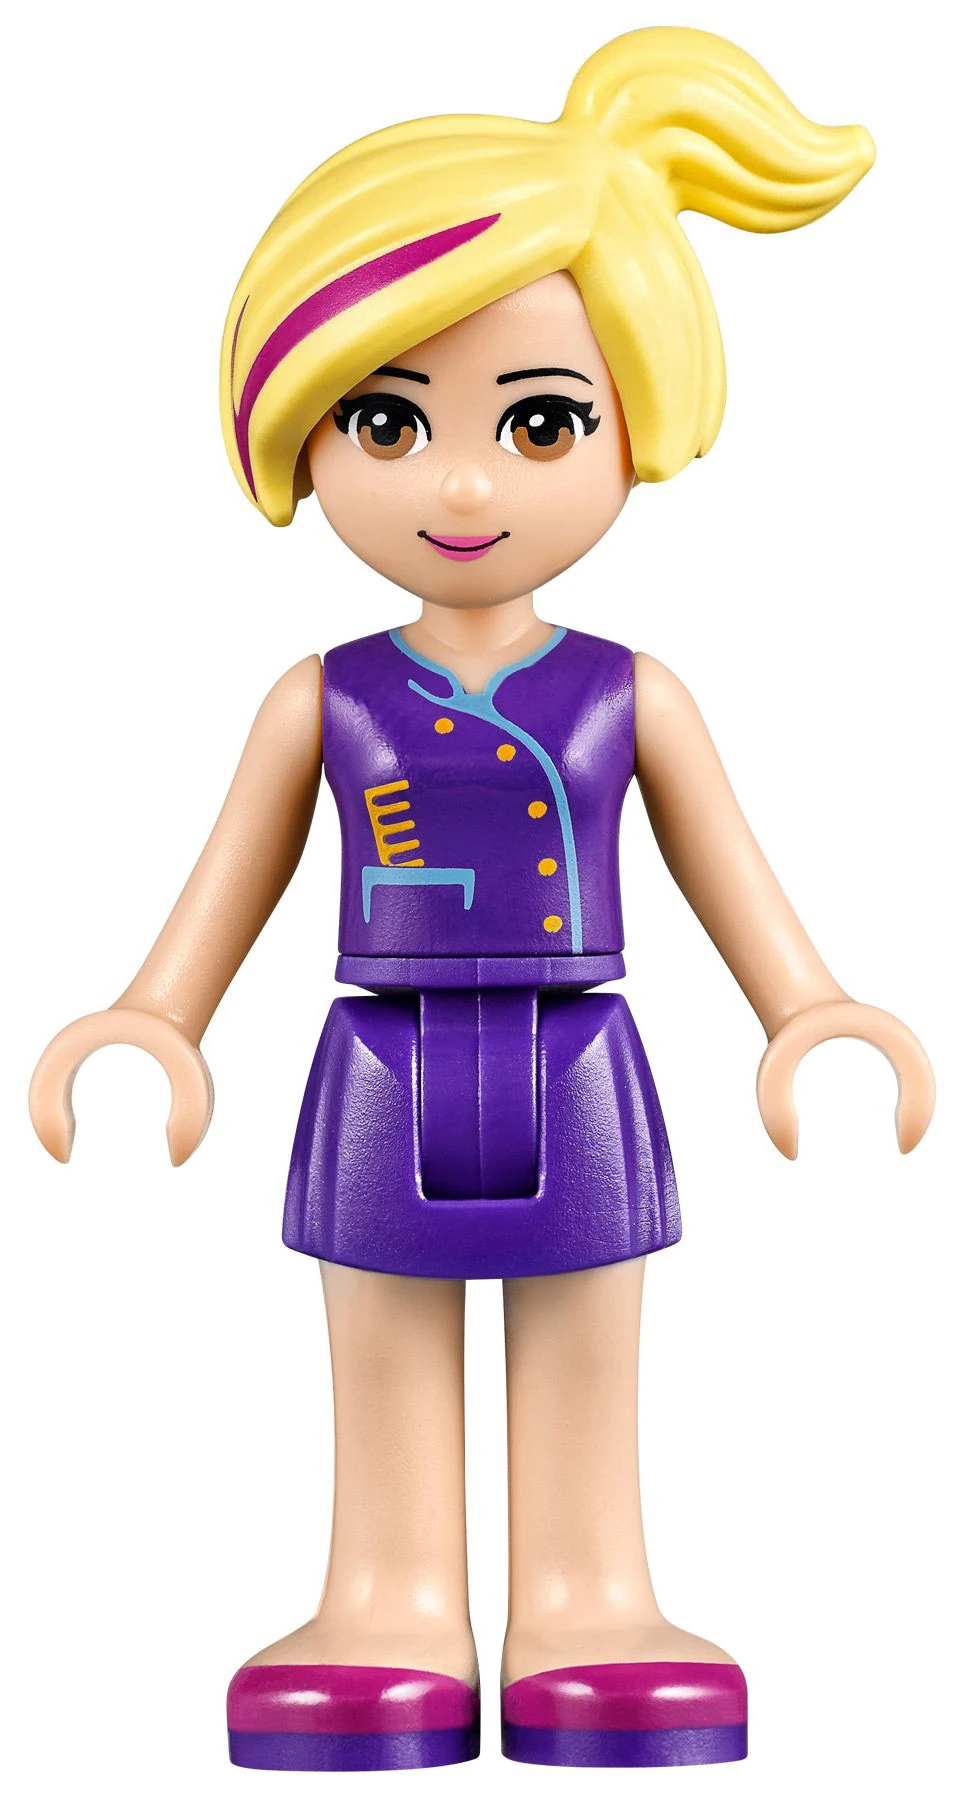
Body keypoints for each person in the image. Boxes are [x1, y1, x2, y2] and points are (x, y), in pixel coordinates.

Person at [29, 26, 934, 1772]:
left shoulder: (629, 692)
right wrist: (153, 1019)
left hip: (580, 1055)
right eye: (389, 418)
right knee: (378, 1341)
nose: (461, 482)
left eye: (539, 422)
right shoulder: (322, 696)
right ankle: (391, 1602)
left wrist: (810, 1008)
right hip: (379, 1060)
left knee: (590, 1339)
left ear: (632, 426)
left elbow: (731, 870)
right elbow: (227, 883)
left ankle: (588, 1600)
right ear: (303, 432)